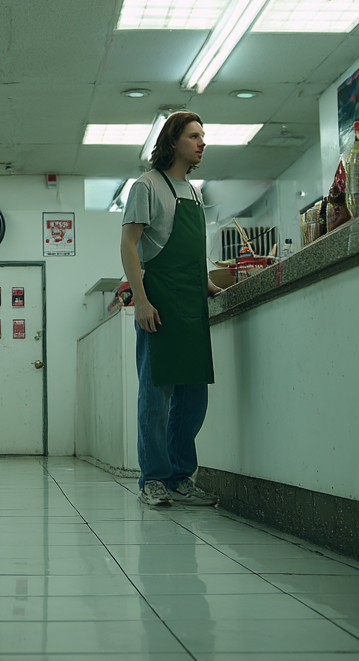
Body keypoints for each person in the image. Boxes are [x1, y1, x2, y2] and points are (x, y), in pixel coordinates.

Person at [120, 111, 223, 507]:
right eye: (194, 136)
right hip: (159, 301)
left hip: (192, 303)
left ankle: (181, 477)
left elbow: (190, 251)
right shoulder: (146, 186)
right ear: (173, 141)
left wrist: (207, 283)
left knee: (193, 397)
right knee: (156, 397)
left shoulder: (194, 192)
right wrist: (141, 300)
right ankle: (154, 479)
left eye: (203, 136)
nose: (202, 142)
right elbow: (129, 245)